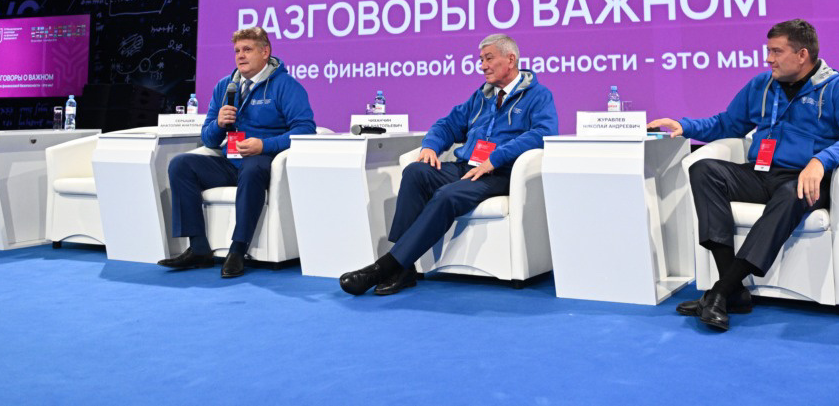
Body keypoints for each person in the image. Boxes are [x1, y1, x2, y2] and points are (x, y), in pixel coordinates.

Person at [649, 19, 839, 331]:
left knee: (792, 192)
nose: (768, 59)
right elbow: (727, 124)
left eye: (776, 52)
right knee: (704, 169)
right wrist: (685, 126)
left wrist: (821, 161)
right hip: (760, 174)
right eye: (768, 51)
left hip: (803, 180)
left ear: (802, 55)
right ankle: (732, 291)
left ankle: (720, 292)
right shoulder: (762, 85)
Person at [339, 33, 558, 296]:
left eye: (489, 59)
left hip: (500, 173)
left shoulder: (538, 95)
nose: (483, 65)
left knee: (446, 195)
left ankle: (385, 267)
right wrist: (431, 146)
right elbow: (447, 124)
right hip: (467, 166)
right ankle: (404, 268)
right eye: (481, 59)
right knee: (415, 172)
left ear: (510, 60)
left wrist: (495, 159)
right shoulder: (481, 96)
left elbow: (542, 134)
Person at [158, 27, 315, 277]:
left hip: (264, 160)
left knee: (252, 168)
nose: (240, 56)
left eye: (247, 50)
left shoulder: (286, 86)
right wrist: (219, 124)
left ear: (265, 52)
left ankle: (238, 250)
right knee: (181, 164)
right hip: (230, 160)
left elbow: (305, 130)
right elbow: (208, 139)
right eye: (237, 51)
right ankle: (198, 248)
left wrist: (264, 145)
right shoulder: (225, 86)